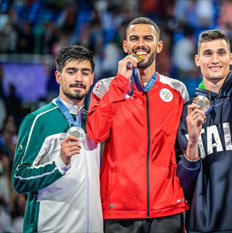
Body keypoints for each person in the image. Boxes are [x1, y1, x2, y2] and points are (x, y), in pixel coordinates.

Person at [87, 17, 189, 232]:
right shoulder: (105, 88)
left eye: (148, 39)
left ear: (159, 46)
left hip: (167, 209)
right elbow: (95, 133)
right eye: (134, 38)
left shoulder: (177, 91)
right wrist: (120, 83)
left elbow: (184, 149)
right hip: (119, 210)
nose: (140, 44)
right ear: (126, 46)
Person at [176, 29, 232, 232]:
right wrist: (192, 142)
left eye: (221, 52)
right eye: (208, 54)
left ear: (231, 58)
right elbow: (182, 185)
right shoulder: (188, 113)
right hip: (203, 226)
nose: (215, 59)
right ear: (197, 60)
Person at [12, 45, 103, 233]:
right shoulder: (38, 120)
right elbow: (19, 178)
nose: (79, 78)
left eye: (85, 73)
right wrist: (58, 164)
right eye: (72, 72)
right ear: (58, 77)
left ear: (92, 78)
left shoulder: (95, 122)